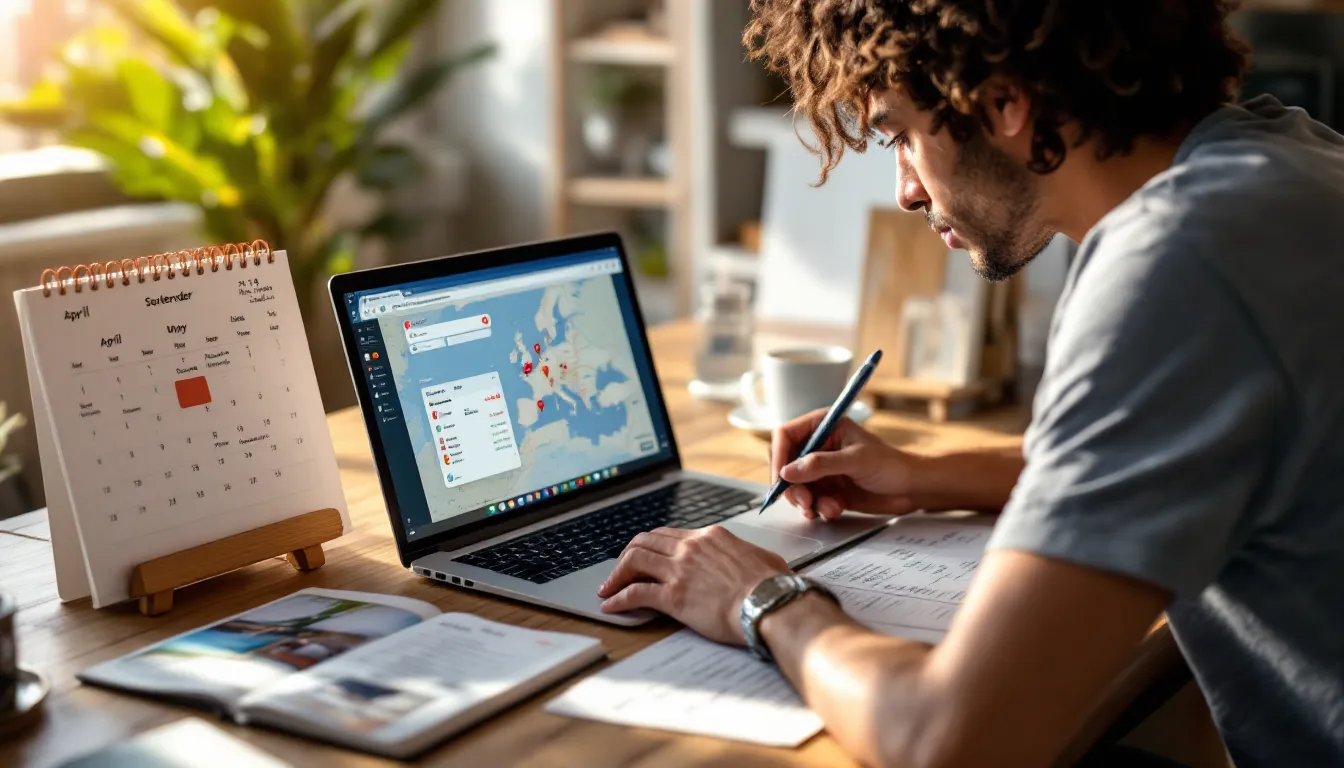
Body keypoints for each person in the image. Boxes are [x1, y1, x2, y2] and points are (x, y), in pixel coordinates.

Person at [595, 1, 1344, 766]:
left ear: (1003, 102)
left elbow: (947, 741)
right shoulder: (1287, 156)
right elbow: (1198, 454)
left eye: (901, 137)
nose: (907, 192)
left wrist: (761, 600)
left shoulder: (1180, 260)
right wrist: (928, 476)